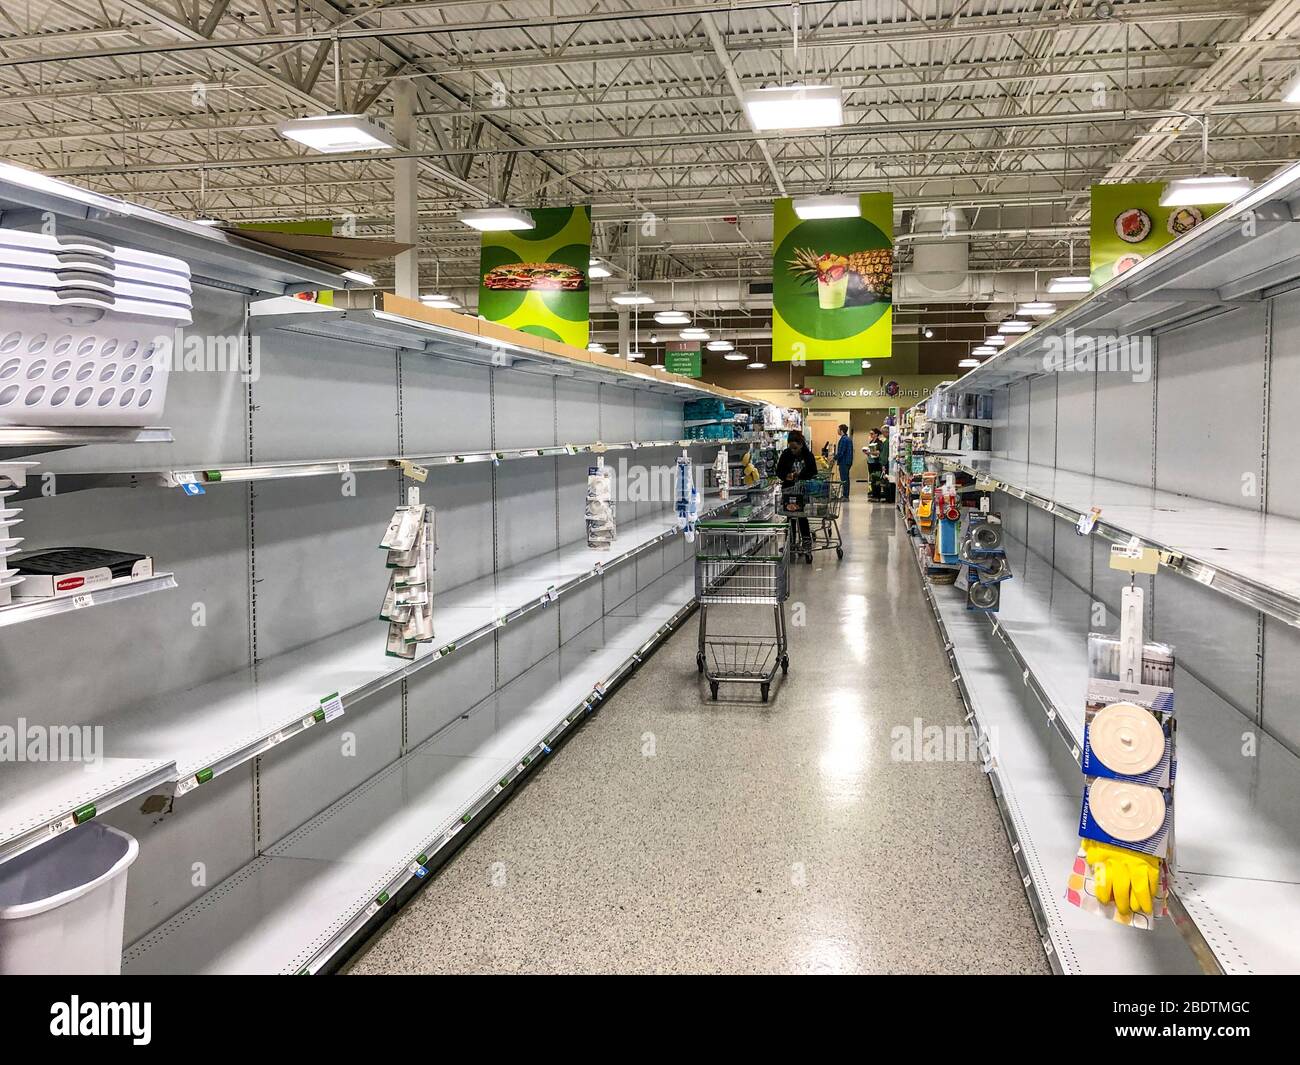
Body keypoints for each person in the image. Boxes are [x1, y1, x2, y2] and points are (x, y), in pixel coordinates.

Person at [776, 429, 818, 552]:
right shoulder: (786, 454)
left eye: (795, 448)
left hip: (803, 490)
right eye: (791, 448)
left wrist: (801, 475)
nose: (793, 450)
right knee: (790, 516)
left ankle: (806, 541)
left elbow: (813, 472)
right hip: (788, 490)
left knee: (802, 516)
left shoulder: (808, 455)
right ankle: (790, 542)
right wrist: (786, 476)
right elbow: (779, 471)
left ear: (801, 444)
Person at [833, 423, 853, 499]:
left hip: (844, 462)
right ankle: (845, 495)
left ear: (841, 430)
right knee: (846, 478)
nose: (837, 431)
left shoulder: (844, 440)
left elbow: (841, 452)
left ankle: (845, 495)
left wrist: (834, 458)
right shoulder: (847, 439)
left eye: (838, 429)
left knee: (844, 479)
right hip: (847, 461)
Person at [864, 428, 884, 500]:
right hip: (870, 462)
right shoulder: (871, 442)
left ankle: (877, 495)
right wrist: (867, 453)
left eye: (872, 434)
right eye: (870, 434)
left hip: (876, 463)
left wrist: (870, 453)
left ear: (876, 434)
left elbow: (878, 452)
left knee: (876, 479)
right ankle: (873, 493)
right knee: (872, 479)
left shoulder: (879, 443)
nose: (871, 435)